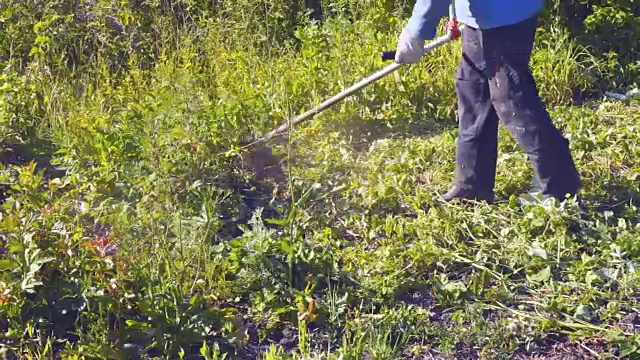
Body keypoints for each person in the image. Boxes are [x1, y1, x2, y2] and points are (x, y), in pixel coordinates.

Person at [394, 0, 584, 206]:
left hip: (501, 14)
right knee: (475, 90)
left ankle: (561, 191)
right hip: (488, 15)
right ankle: (472, 186)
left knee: (512, 99)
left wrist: (417, 28)